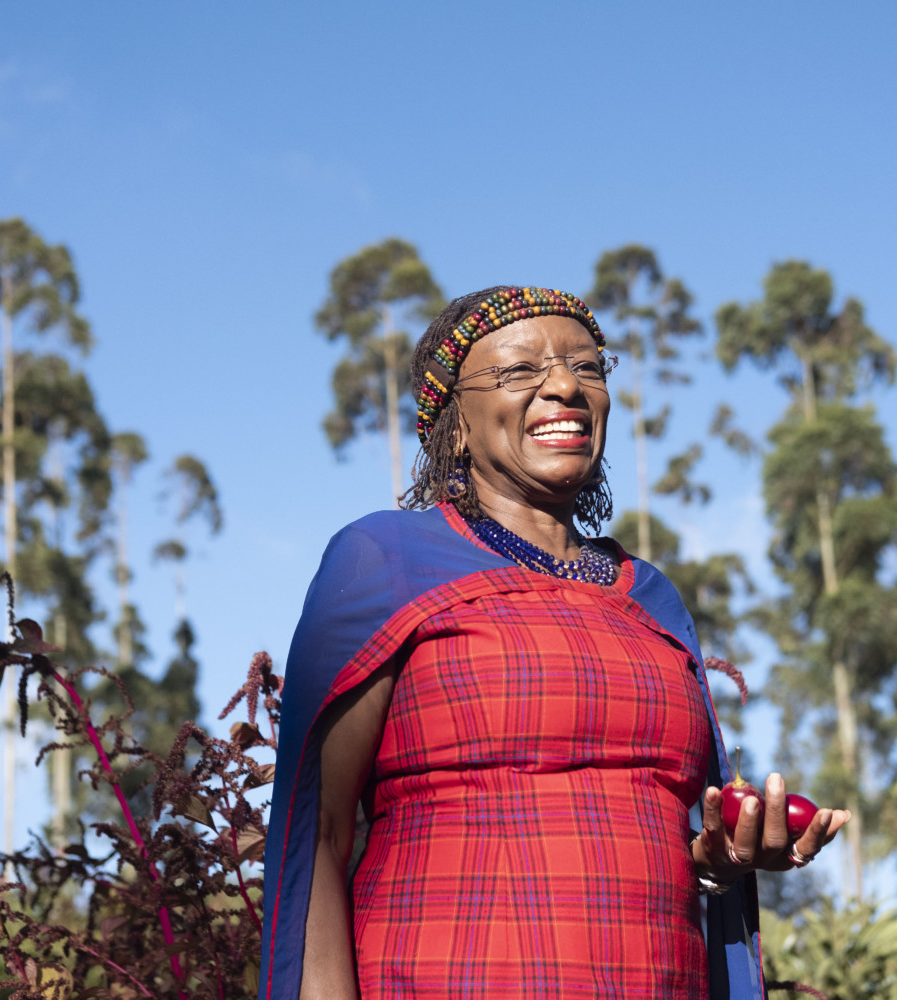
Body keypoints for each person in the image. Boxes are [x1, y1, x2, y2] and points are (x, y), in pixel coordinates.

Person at [260, 287, 850, 1000]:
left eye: (588, 368)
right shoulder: (387, 561)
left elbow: (667, 838)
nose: (566, 386)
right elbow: (316, 834)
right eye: (519, 371)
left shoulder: (651, 597)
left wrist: (719, 861)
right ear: (455, 422)